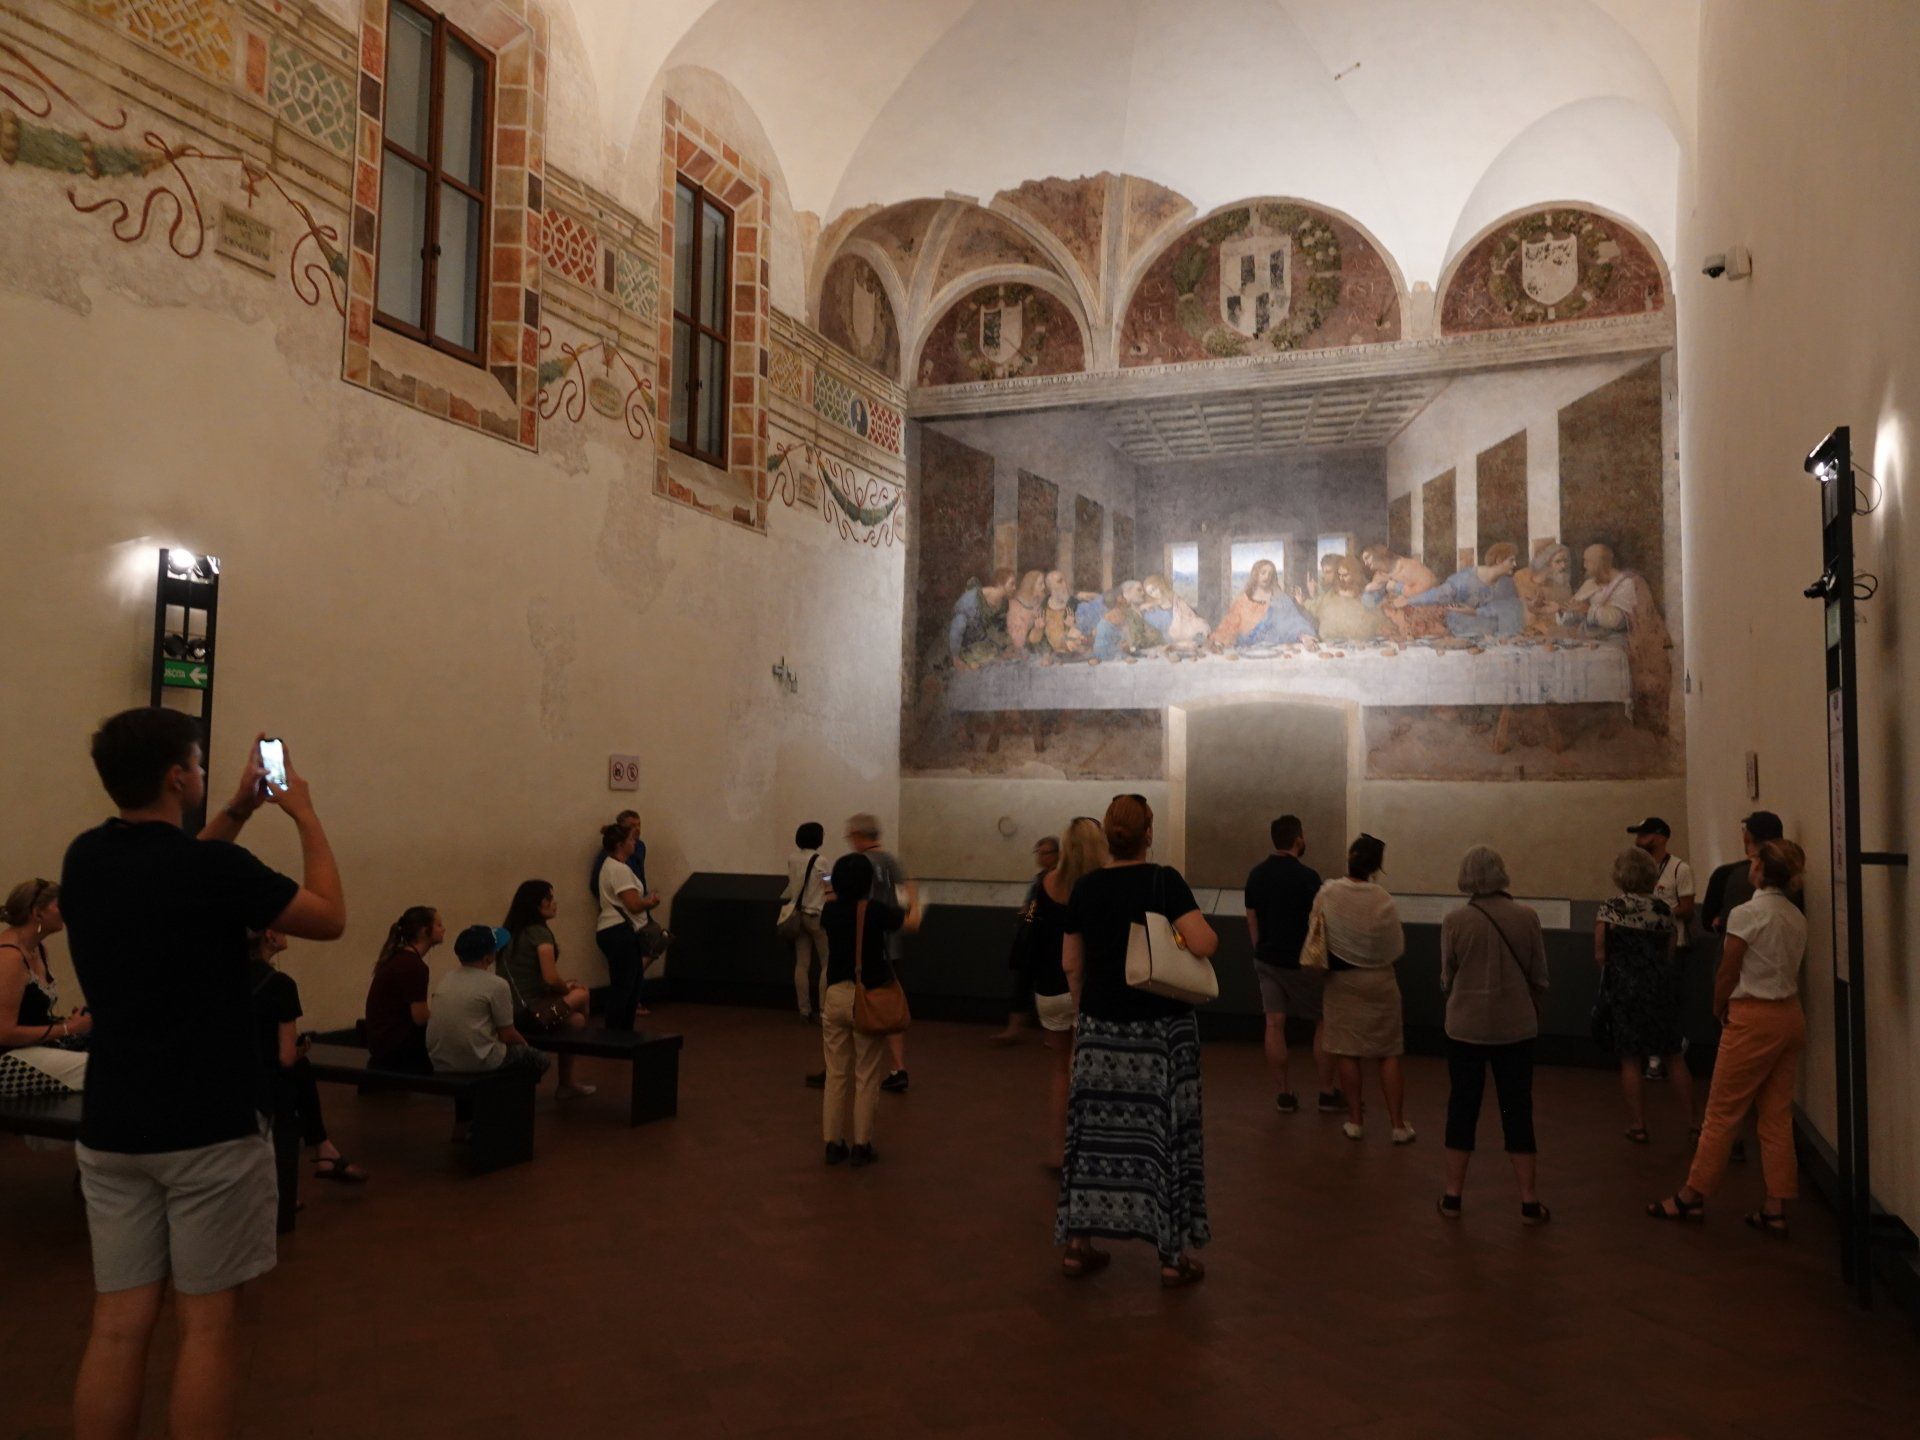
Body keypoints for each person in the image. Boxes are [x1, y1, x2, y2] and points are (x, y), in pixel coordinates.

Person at [62, 712, 344, 1440]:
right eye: (197, 762)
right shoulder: (212, 870)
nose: (203, 771)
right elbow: (329, 916)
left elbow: (173, 870)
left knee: (119, 1327)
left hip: (113, 1122)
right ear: (177, 776)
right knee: (208, 1329)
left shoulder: (86, 857)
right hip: (208, 1125)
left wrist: (241, 808)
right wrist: (303, 814)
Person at [1057, 794, 1216, 1287]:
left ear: (1108, 835)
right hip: (1159, 1032)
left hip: (1101, 1030)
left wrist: (1086, 1012)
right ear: (1149, 833)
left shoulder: (1085, 888)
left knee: (1091, 1134)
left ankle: (1078, 1246)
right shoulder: (1162, 881)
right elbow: (1205, 943)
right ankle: (1171, 1257)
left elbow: (1071, 962)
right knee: (1163, 1136)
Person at [1647, 841, 1809, 1234]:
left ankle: (1692, 1195)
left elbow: (1728, 969)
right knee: (1775, 1116)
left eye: (1753, 860)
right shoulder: (1795, 916)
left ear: (1759, 870)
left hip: (1752, 1017)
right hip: (1789, 1016)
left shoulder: (1746, 914)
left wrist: (1719, 1008)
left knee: (1721, 1112)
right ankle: (1775, 1205)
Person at [1437, 846, 1551, 1224]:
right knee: (1516, 1108)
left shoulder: (1455, 921)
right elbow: (1539, 976)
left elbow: (1446, 978)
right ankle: (1529, 1200)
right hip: (1515, 1028)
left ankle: (1453, 1196)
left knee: (1462, 1107)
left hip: (1466, 1029)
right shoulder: (1527, 917)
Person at [817, 853, 921, 1167]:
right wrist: (914, 897)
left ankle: (833, 1144)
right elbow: (911, 924)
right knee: (866, 1074)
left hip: (835, 996)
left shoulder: (829, 910)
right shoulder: (874, 910)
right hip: (867, 998)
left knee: (835, 1073)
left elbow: (839, 908)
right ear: (868, 883)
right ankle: (862, 1145)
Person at [1314, 834, 1414, 1144]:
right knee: (1388, 1053)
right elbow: (1396, 945)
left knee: (1348, 1051)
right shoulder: (1383, 899)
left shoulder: (1328, 892)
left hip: (1342, 982)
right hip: (1381, 981)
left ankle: (1355, 1121)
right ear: (1376, 866)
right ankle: (1398, 1125)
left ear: (1350, 858)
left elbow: (1316, 932)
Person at [247, 929, 364, 1185]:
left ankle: (324, 1149)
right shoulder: (281, 985)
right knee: (299, 1068)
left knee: (301, 1070)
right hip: (266, 1083)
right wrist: (299, 1050)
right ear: (269, 935)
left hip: (236, 1072)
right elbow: (286, 1058)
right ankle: (319, 1153)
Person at [1244, 816, 1341, 1115]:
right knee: (1322, 1020)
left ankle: (1284, 1094)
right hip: (1301, 963)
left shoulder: (1256, 875)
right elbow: (1319, 924)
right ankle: (1326, 1092)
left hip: (1267, 959)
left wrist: (1262, 950)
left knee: (1274, 1024)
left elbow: (1253, 921)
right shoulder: (1308, 877)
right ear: (1298, 839)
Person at [1597, 847, 1694, 1143]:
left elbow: (1600, 954)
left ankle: (1638, 1125)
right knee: (1674, 1056)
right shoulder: (1664, 910)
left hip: (1624, 990)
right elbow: (1669, 953)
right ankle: (1695, 1124)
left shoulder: (1610, 908)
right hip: (1659, 989)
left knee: (1629, 1059)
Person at [1031, 818, 1105, 1170]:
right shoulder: (1100, 886)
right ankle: (1088, 1147)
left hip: (1048, 988)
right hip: (1088, 989)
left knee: (1060, 1070)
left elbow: (1030, 929)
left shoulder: (1046, 883)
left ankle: (1058, 1150)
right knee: (1090, 1071)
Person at [498, 880, 595, 1098]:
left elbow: (531, 979)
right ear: (537, 904)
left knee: (575, 1021)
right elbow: (551, 978)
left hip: (507, 1011)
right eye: (550, 899)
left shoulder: (509, 933)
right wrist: (567, 990)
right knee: (582, 993)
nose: (554, 903)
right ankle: (590, 1046)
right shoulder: (540, 933)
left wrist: (563, 987)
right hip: (531, 1013)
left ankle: (566, 1083)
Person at [0, 878, 90, 1102]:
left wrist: (71, 1024)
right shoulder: (9, 957)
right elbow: (4, 1032)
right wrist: (69, 1028)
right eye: (60, 905)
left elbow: (31, 1016)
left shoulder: (37, 948)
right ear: (37, 913)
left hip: (31, 1049)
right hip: (7, 1061)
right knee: (100, 1068)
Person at [427, 925, 553, 1082]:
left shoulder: (447, 979)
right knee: (539, 1060)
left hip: (442, 1061)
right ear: (488, 957)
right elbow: (508, 1035)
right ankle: (510, 1101)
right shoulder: (497, 984)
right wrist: (526, 1047)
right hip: (480, 1061)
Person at [1569, 542, 1672, 733]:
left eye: (1588, 562)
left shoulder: (1626, 583)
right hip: (1592, 639)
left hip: (1619, 641)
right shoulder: (1590, 583)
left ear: (1602, 564)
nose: (1584, 566)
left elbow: (1617, 621)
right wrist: (1560, 609)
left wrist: (1588, 610)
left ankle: (1614, 720)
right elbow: (1573, 612)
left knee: (1603, 664)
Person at [846, 813, 913, 1091]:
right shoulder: (891, 861)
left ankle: (845, 1066)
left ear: (859, 837)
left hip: (862, 943)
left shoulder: (857, 864)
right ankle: (898, 1067)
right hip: (890, 942)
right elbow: (905, 896)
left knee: (854, 1002)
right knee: (889, 1003)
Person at [1627, 816, 1695, 1082]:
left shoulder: (1679, 869)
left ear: (1661, 837)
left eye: (1644, 835)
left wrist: (1657, 915)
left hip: (1672, 946)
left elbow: (1687, 908)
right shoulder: (1636, 869)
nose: (1638, 841)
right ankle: (1657, 1049)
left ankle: (1663, 1052)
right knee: (1644, 1000)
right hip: (1642, 946)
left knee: (1664, 1001)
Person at [991, 834, 1059, 1044]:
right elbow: (1030, 906)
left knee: (1050, 986)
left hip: (1053, 938)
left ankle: (1054, 1033)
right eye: (1038, 853)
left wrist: (1030, 914)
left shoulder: (1061, 878)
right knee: (1023, 982)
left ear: (1057, 854)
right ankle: (1013, 1029)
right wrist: (1027, 917)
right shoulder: (1038, 879)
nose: (1041, 857)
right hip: (1034, 937)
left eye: (1045, 852)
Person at [596, 822, 662, 1028]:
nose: (635, 842)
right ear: (620, 844)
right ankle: (618, 1033)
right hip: (620, 931)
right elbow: (633, 905)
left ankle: (619, 1031)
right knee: (626, 987)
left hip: (613, 931)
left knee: (627, 984)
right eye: (631, 839)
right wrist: (650, 902)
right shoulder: (620, 869)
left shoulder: (609, 865)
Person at [365, 906, 442, 1073]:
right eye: (438, 925)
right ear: (424, 930)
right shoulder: (413, 965)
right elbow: (420, 1018)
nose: (443, 929)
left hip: (380, 1041)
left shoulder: (398, 958)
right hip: (395, 1046)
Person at [1397, 542, 1525, 637]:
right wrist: (1411, 600)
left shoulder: (1506, 583)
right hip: (1464, 630)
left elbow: (1510, 608)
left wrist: (1476, 612)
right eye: (1511, 560)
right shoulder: (1465, 578)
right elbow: (1440, 594)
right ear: (1498, 560)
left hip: (1493, 633)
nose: (1515, 564)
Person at [782, 823, 831, 1021]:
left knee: (802, 964)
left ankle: (804, 1010)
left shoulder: (792, 858)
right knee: (827, 963)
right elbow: (828, 887)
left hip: (797, 916)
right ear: (818, 838)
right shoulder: (821, 860)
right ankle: (823, 1011)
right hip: (816, 915)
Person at [1210, 558, 1316, 648]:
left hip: (1277, 650)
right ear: (1255, 575)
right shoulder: (1243, 600)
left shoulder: (1281, 599)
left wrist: (1304, 636)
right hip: (1246, 650)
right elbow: (1228, 625)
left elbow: (1294, 622)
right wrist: (1219, 641)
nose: (1266, 577)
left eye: (1270, 574)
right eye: (1263, 572)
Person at [1360, 544, 1447, 640]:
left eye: (1367, 558)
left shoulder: (1408, 566)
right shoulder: (1379, 575)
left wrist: (1398, 587)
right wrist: (1368, 592)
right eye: (1364, 560)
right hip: (1398, 623)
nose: (1365, 563)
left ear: (1378, 553)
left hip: (1423, 619)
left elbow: (1431, 586)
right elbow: (1372, 604)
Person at [949, 568, 1016, 667]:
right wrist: (955, 656)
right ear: (1000, 583)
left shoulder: (1003, 603)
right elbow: (958, 628)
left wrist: (1008, 647)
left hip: (986, 647)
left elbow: (999, 630)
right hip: (966, 647)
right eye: (1012, 584)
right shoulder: (971, 600)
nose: (1014, 588)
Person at [1515, 542, 1574, 636]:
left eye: (1565, 561)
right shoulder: (1521, 576)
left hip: (1548, 634)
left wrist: (1558, 609)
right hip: (1522, 632)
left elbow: (1570, 616)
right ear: (1545, 562)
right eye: (1558, 561)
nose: (1563, 566)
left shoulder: (1562, 585)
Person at [587, 808, 643, 904]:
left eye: (639, 825)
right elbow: (596, 884)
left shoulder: (640, 846)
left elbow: (640, 875)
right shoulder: (609, 852)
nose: (637, 829)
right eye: (632, 826)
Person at [1005, 569, 1048, 651]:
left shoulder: (1038, 606)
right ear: (1031, 586)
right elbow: (1017, 641)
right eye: (1040, 584)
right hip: (1019, 651)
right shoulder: (1015, 606)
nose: (1044, 587)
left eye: (1044, 583)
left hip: (1036, 649)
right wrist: (1036, 630)